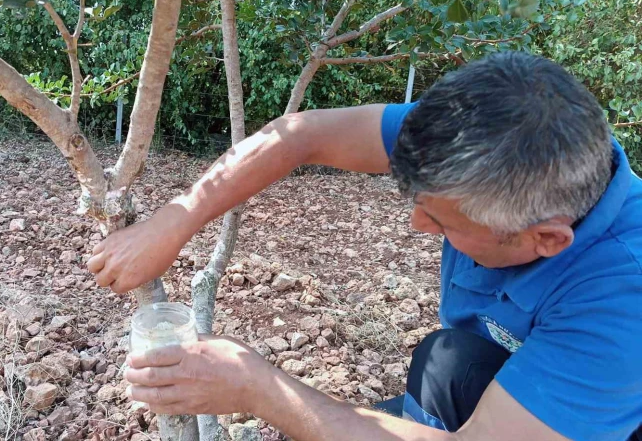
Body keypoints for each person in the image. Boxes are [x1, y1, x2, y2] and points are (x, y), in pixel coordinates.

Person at [87, 52, 642, 441]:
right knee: (448, 361)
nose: (417, 225)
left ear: (546, 238)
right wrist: (176, 218)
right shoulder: (485, 138)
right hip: (490, 377)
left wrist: (260, 389)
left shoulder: (621, 301)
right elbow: (302, 135)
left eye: (442, 221)